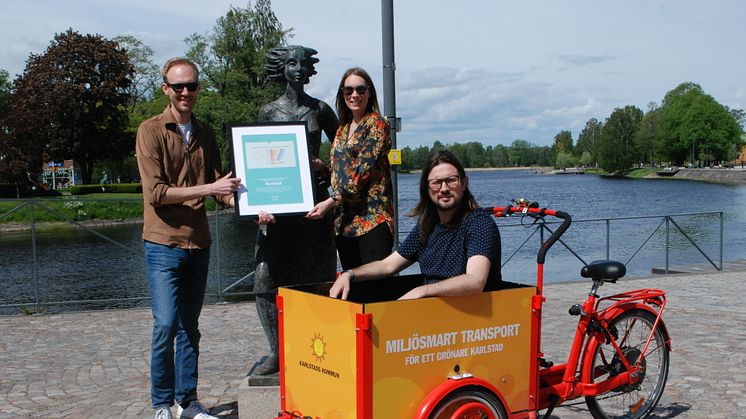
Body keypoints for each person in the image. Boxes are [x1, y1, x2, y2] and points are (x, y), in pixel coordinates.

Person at [136, 57, 241, 419]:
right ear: (165, 88)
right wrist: (213, 186)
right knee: (166, 323)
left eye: (191, 86)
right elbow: (157, 193)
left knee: (189, 327)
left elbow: (221, 188)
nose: (185, 92)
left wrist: (251, 206)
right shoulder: (149, 131)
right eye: (178, 86)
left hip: (199, 242)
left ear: (197, 88)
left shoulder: (206, 133)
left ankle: (188, 401)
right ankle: (162, 404)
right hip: (163, 242)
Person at [251, 46, 338, 376]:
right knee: (264, 278)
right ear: (282, 69)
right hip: (278, 210)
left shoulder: (321, 109)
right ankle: (278, 352)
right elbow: (259, 159)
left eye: (303, 63)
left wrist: (325, 168)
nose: (298, 69)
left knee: (319, 279)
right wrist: (255, 200)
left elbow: (345, 159)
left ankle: (321, 350)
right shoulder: (267, 112)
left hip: (314, 209)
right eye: (291, 63)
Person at [328, 150, 501, 301]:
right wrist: (349, 274)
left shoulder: (479, 223)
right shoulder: (427, 226)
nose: (444, 189)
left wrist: (422, 291)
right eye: (436, 182)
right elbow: (387, 266)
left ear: (464, 183)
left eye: (451, 180)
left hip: (474, 321)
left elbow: (475, 281)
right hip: (432, 318)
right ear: (427, 188)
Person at [306, 67, 395, 270]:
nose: (354, 95)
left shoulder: (377, 124)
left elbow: (360, 175)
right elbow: (341, 178)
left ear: (369, 92)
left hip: (372, 222)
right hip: (345, 225)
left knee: (375, 293)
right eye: (348, 90)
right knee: (353, 294)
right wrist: (322, 168)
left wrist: (329, 202)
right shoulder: (342, 130)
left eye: (360, 89)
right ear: (342, 94)